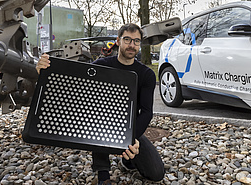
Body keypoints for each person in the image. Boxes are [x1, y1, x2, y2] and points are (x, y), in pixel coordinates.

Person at [36, 23, 165, 185]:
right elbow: (72, 87)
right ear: (118, 41)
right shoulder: (101, 66)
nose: (132, 45)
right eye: (127, 39)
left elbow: (146, 112)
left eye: (136, 41)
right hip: (101, 123)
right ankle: (103, 172)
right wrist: (44, 72)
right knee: (98, 122)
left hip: (130, 127)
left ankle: (128, 162)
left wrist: (131, 139)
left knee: (157, 174)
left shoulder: (146, 75)